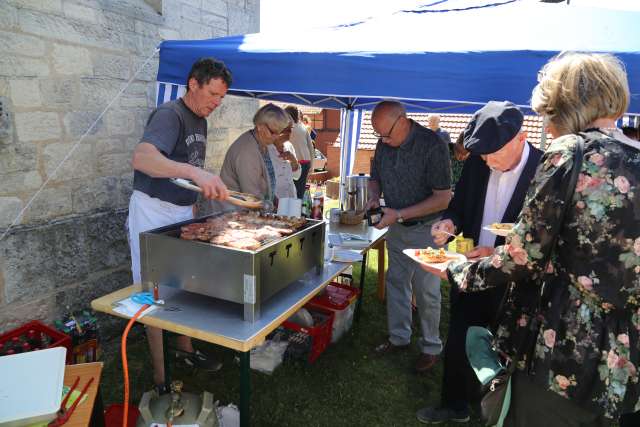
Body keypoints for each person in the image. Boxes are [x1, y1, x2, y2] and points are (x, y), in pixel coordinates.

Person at [421, 52, 640, 426]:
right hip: (622, 352)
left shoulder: (570, 153)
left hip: (561, 347)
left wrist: (459, 272)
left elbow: (524, 256)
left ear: (565, 105)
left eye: (549, 114)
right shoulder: (633, 155)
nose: (548, 127)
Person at [417, 101, 543, 424]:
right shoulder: (478, 161)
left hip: (514, 280)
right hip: (472, 272)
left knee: (507, 348)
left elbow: (544, 237)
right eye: (481, 154)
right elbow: (459, 206)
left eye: (492, 154)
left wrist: (500, 254)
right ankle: (454, 404)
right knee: (459, 336)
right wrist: (448, 224)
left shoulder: (544, 172)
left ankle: (502, 408)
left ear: (520, 137)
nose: (486, 161)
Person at [128, 57, 232, 391]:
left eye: (221, 98)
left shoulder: (200, 120)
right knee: (151, 291)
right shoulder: (169, 115)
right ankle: (160, 377)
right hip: (152, 211)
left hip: (180, 211)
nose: (216, 103)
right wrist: (192, 172)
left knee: (187, 282)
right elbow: (142, 158)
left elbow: (189, 172)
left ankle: (184, 348)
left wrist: (199, 197)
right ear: (193, 84)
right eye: (212, 94)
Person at [367, 101, 452, 373]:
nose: (383, 140)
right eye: (379, 136)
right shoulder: (384, 143)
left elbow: (442, 198)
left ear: (403, 120)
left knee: (427, 291)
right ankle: (399, 337)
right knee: (396, 281)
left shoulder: (433, 145)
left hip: (428, 230)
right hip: (397, 227)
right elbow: (375, 178)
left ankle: (430, 347)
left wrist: (400, 214)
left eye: (387, 135)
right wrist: (372, 197)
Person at [220, 103, 291, 204]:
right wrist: (270, 207)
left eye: (279, 132)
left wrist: (274, 200)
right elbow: (252, 196)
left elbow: (264, 182)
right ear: (260, 126)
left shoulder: (262, 143)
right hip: (233, 212)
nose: (276, 137)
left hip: (247, 211)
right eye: (272, 132)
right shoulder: (247, 151)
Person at [285, 106, 315, 198]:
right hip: (306, 162)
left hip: (295, 163)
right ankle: (299, 210)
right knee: (300, 191)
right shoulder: (302, 126)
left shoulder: (288, 127)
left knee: (293, 192)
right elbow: (311, 147)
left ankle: (295, 210)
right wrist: (312, 165)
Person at [267, 127, 301, 199]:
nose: (290, 131)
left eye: (291, 128)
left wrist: (294, 161)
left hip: (291, 199)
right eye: (287, 129)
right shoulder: (265, 149)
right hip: (274, 202)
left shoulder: (289, 146)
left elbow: (297, 176)